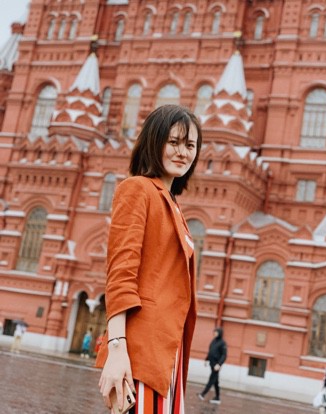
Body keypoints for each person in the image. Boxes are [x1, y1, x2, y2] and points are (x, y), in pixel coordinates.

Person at [96, 105, 202, 414]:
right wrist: (117, 350)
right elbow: (121, 273)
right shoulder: (137, 189)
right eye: (174, 142)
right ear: (154, 141)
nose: (182, 152)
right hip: (140, 352)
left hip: (168, 355)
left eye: (190, 145)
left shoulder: (172, 204)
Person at [197, 327, 227, 405]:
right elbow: (211, 351)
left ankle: (202, 394)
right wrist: (206, 359)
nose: (215, 333)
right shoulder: (214, 341)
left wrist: (219, 364)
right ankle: (217, 398)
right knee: (215, 382)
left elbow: (224, 355)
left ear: (220, 333)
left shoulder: (222, 343)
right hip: (211, 364)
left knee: (211, 380)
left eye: (216, 332)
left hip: (216, 365)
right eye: (214, 332)